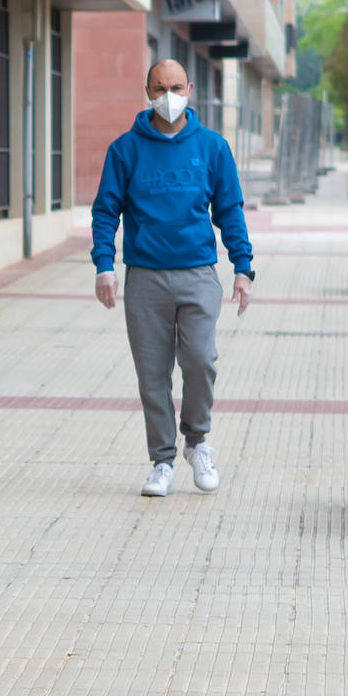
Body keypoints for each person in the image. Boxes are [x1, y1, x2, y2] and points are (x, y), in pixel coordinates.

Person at [91, 59, 254, 498]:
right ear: (147, 90)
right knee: (152, 375)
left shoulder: (213, 147)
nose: (168, 95)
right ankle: (162, 460)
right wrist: (104, 265)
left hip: (198, 274)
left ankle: (198, 442)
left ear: (191, 88)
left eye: (176, 86)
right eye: (160, 87)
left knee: (200, 361)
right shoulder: (126, 149)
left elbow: (229, 210)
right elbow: (106, 212)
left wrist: (243, 267)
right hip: (144, 278)